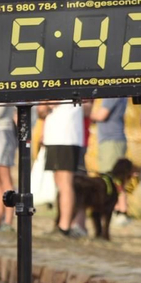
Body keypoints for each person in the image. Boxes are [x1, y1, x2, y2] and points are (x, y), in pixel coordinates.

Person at [37, 99, 91, 236]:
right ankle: (62, 223)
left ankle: (65, 226)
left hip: (66, 136)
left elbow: (44, 106)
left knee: (65, 182)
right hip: (55, 136)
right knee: (59, 181)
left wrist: (44, 104)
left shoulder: (66, 83)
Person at [91, 97, 132, 228]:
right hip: (109, 141)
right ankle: (119, 210)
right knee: (111, 178)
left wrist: (85, 111)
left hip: (112, 141)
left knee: (114, 178)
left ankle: (121, 211)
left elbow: (102, 115)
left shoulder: (112, 94)